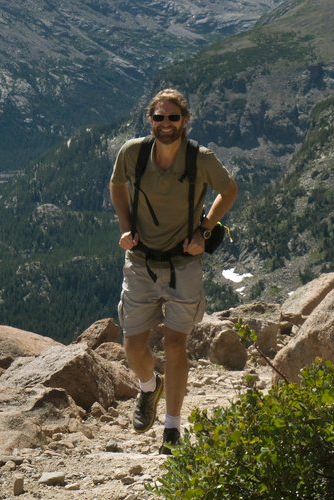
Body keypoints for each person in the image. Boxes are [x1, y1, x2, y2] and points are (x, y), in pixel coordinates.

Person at [109, 88, 238, 454]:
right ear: (150, 120)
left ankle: (172, 429)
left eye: (173, 118)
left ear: (185, 121)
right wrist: (125, 225)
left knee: (175, 343)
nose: (166, 124)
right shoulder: (132, 153)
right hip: (141, 262)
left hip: (184, 263)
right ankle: (150, 386)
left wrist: (205, 229)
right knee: (133, 346)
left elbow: (228, 190)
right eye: (159, 117)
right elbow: (117, 186)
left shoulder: (200, 159)